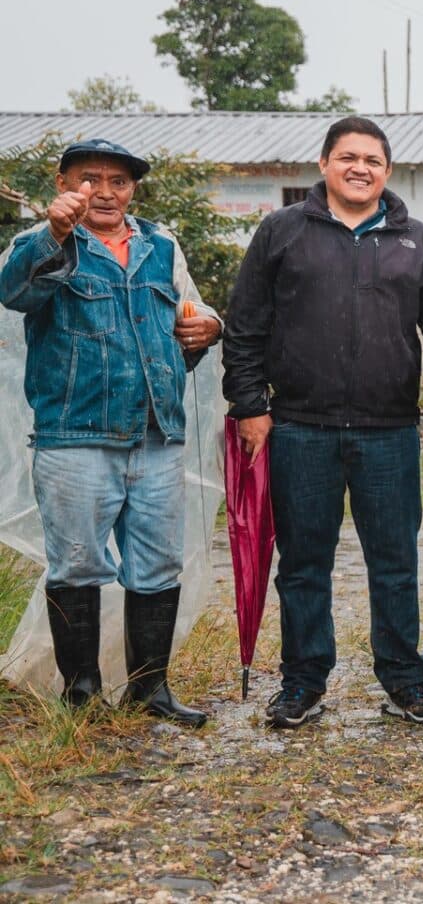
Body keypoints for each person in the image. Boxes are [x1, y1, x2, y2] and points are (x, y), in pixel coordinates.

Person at [224, 116, 423, 729]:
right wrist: (250, 405)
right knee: (304, 563)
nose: (360, 168)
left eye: (372, 160)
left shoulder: (415, 239)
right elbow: (245, 325)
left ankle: (405, 679)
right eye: (348, 157)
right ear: (325, 164)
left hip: (390, 430)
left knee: (395, 562)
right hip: (300, 427)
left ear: (387, 171)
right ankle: (302, 682)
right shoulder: (282, 232)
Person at [0, 138, 223, 725]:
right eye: (89, 179)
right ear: (62, 184)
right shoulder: (42, 243)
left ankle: (150, 691)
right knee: (77, 566)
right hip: (75, 437)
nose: (104, 192)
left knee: (158, 565)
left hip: (155, 435)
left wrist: (210, 326)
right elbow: (13, 292)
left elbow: (190, 313)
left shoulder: (161, 246)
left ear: (132, 189)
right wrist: (54, 233)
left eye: (118, 182)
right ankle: (81, 694)